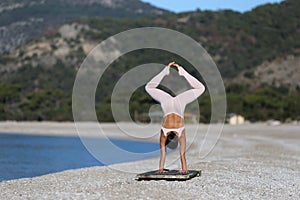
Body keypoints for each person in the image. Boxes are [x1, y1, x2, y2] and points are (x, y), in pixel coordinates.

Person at [145, 61, 205, 173]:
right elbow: (178, 154)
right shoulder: (164, 133)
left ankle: (169, 71)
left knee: (200, 89)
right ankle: (175, 72)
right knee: (149, 87)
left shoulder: (178, 133)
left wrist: (163, 169)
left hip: (176, 103)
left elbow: (167, 153)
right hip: (171, 103)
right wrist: (183, 169)